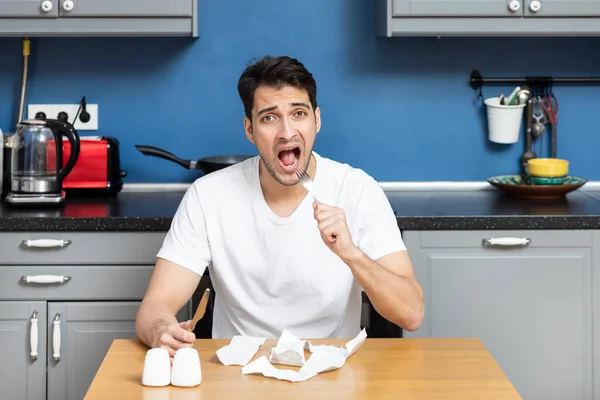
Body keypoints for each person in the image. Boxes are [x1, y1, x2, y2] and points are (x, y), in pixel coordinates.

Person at [135, 55, 424, 358]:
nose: (286, 132)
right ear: (250, 130)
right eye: (269, 117)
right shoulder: (208, 196)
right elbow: (155, 306)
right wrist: (162, 332)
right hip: (237, 374)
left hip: (330, 371)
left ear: (317, 120)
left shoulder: (359, 191)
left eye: (298, 113)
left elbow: (411, 313)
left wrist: (353, 256)